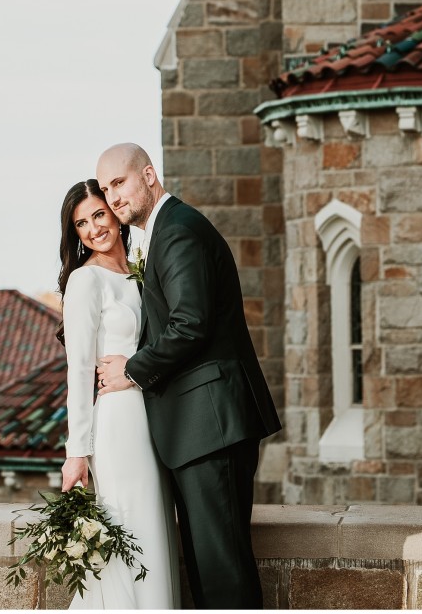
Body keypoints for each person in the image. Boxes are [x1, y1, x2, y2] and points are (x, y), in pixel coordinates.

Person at [96, 142, 282, 610]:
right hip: (197, 429)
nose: (113, 198)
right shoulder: (163, 232)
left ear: (148, 175)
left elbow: (190, 323)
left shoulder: (178, 231)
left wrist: (132, 370)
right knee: (206, 572)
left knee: (223, 576)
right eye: (105, 189)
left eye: (119, 183)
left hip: (211, 426)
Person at [58, 179, 180, 610]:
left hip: (153, 416)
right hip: (117, 423)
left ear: (114, 211)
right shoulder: (85, 280)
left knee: (154, 524)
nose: (94, 229)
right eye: (82, 224)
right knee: (129, 524)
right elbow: (78, 369)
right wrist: (77, 452)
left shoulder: (140, 270)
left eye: (99, 215)